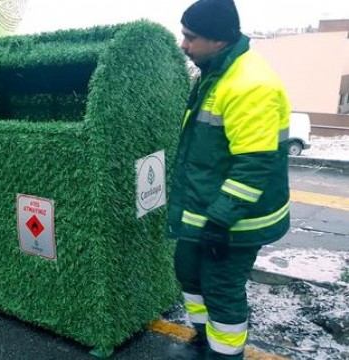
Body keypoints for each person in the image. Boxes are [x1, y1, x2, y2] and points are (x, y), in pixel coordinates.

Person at [167, 0, 291, 359]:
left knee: (221, 290)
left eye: (190, 37)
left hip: (235, 219)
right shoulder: (218, 70)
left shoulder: (251, 84)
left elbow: (253, 165)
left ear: (219, 40)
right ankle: (204, 340)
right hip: (207, 210)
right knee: (188, 272)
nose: (183, 44)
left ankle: (223, 355)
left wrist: (220, 221)